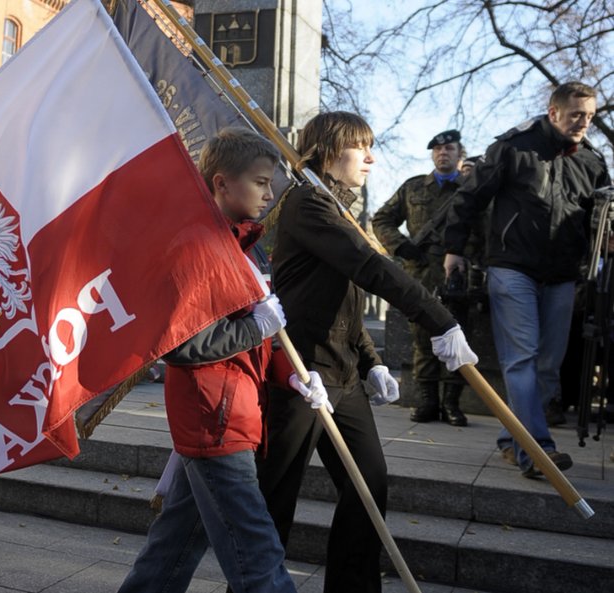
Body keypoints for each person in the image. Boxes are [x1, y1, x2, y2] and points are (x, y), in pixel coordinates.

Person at [262, 111, 477, 593]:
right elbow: (369, 267)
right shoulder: (307, 204)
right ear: (331, 150)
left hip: (343, 375)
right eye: (362, 148)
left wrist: (372, 359)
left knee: (368, 487)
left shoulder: (338, 208)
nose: (371, 158)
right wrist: (437, 318)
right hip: (299, 375)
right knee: (276, 495)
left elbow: (346, 300)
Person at [118, 128, 331, 593]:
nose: (270, 193)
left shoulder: (244, 248)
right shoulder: (196, 245)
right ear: (221, 183)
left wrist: (292, 375)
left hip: (232, 414)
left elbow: (258, 342)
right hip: (214, 421)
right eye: (260, 182)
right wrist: (257, 327)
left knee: (172, 551)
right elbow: (179, 345)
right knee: (260, 556)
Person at [443, 82, 611, 478]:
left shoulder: (592, 161)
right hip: (512, 268)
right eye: (576, 115)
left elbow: (598, 218)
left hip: (562, 275)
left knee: (549, 368)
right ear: (553, 112)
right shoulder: (514, 147)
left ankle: (511, 439)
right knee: (522, 359)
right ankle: (538, 453)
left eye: (589, 116)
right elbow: (470, 196)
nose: (584, 123)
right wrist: (455, 249)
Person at [372, 129, 475, 426]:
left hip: (457, 275)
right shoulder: (413, 187)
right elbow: (381, 218)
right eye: (438, 149)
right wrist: (400, 245)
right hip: (419, 274)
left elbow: (485, 228)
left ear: (460, 154)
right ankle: (427, 401)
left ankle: (452, 404)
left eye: (449, 148)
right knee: (422, 339)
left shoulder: (471, 189)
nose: (443, 153)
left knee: (458, 338)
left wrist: (468, 255)